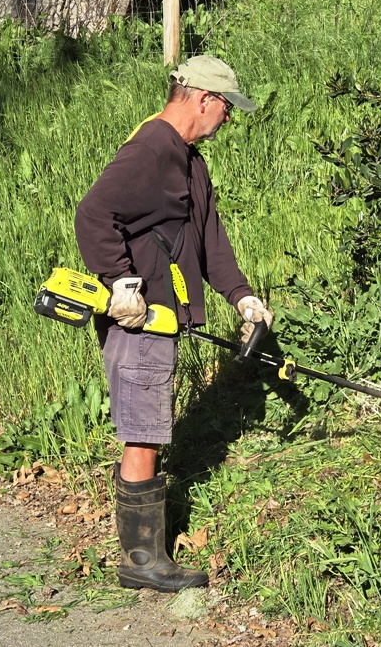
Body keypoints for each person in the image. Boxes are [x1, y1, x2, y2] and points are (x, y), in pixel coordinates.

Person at [74, 55, 274, 592]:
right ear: (203, 98)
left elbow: (210, 239)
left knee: (149, 432)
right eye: (227, 108)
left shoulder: (190, 161)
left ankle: (145, 554)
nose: (228, 118)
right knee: (142, 436)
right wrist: (119, 281)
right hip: (138, 323)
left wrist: (243, 297)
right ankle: (142, 561)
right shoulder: (150, 149)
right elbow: (93, 213)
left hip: (163, 319)